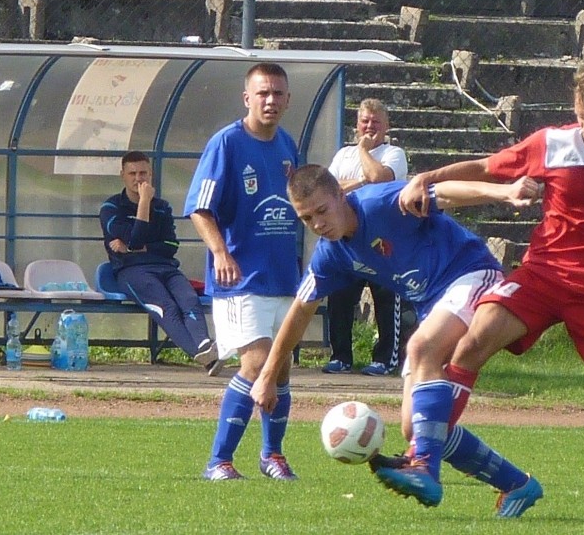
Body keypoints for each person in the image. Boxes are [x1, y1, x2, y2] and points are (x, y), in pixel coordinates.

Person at [392, 62, 584, 524]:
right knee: (472, 342)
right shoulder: (551, 143)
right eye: (579, 117)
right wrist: (427, 177)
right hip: (543, 276)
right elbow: (487, 167)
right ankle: (422, 461)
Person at [250, 164, 544, 518]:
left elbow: (444, 193)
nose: (317, 224)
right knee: (419, 426)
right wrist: (268, 374)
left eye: (322, 211)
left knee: (421, 349)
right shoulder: (331, 254)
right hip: (432, 303)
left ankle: (424, 469)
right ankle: (516, 484)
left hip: (470, 273)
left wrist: (505, 191)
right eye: (306, 218)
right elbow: (300, 309)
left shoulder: (382, 202)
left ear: (341, 195)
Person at [184, 62, 300, 482]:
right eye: (263, 93)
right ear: (247, 98)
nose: (271, 100)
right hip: (240, 280)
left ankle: (272, 456)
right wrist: (219, 252)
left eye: (278, 94)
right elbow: (200, 207)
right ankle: (219, 461)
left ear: (288, 99)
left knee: (281, 367)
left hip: (283, 276)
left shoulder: (287, 145)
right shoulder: (227, 144)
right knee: (256, 362)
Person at [99, 150, 220, 375]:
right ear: (123, 175)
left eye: (143, 173)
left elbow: (171, 246)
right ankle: (207, 358)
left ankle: (204, 345)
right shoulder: (111, 208)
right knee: (166, 308)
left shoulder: (162, 207)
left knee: (189, 300)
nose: (138, 178)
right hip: (132, 271)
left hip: (167, 267)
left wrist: (141, 247)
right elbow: (136, 239)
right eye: (132, 173)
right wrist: (144, 202)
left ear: (151, 174)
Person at [324, 98, 410, 376]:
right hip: (347, 240)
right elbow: (330, 191)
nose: (369, 126)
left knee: (385, 299)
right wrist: (361, 181)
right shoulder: (342, 155)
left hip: (383, 239)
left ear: (386, 126)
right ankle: (341, 356)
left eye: (375, 122)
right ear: (357, 124)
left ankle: (384, 360)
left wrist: (363, 151)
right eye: (365, 121)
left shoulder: (394, 153)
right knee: (339, 299)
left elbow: (380, 177)